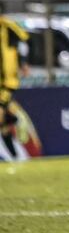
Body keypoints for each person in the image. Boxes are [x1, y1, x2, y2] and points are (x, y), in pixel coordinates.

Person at [0, 13, 28, 161]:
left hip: (7, 82)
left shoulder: (9, 26)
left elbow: (23, 43)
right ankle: (15, 157)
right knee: (3, 126)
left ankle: (12, 118)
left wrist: (23, 63)